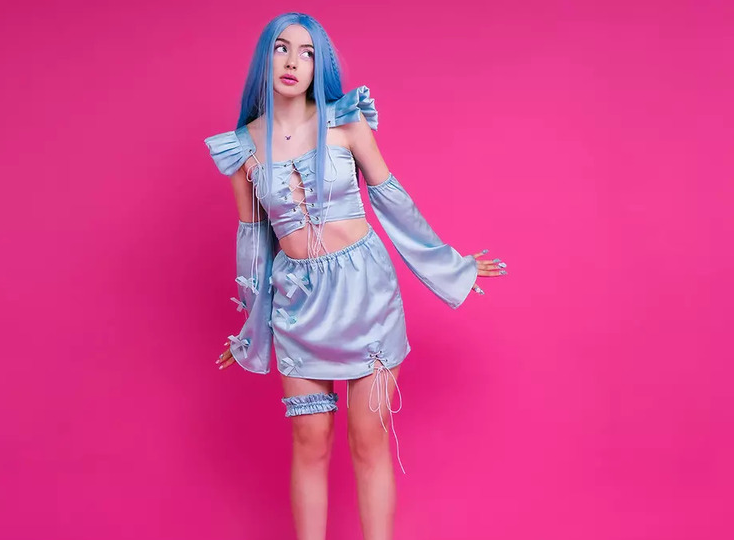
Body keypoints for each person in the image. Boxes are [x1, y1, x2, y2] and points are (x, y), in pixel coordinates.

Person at [203, 12, 507, 540]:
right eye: (281, 48)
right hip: (297, 301)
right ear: (265, 58)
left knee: (368, 439)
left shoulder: (346, 122)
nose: (293, 61)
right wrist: (251, 328)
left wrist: (450, 266)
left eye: (307, 52)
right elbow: (253, 243)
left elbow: (391, 199)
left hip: (366, 293)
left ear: (319, 66)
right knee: (310, 440)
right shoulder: (242, 147)